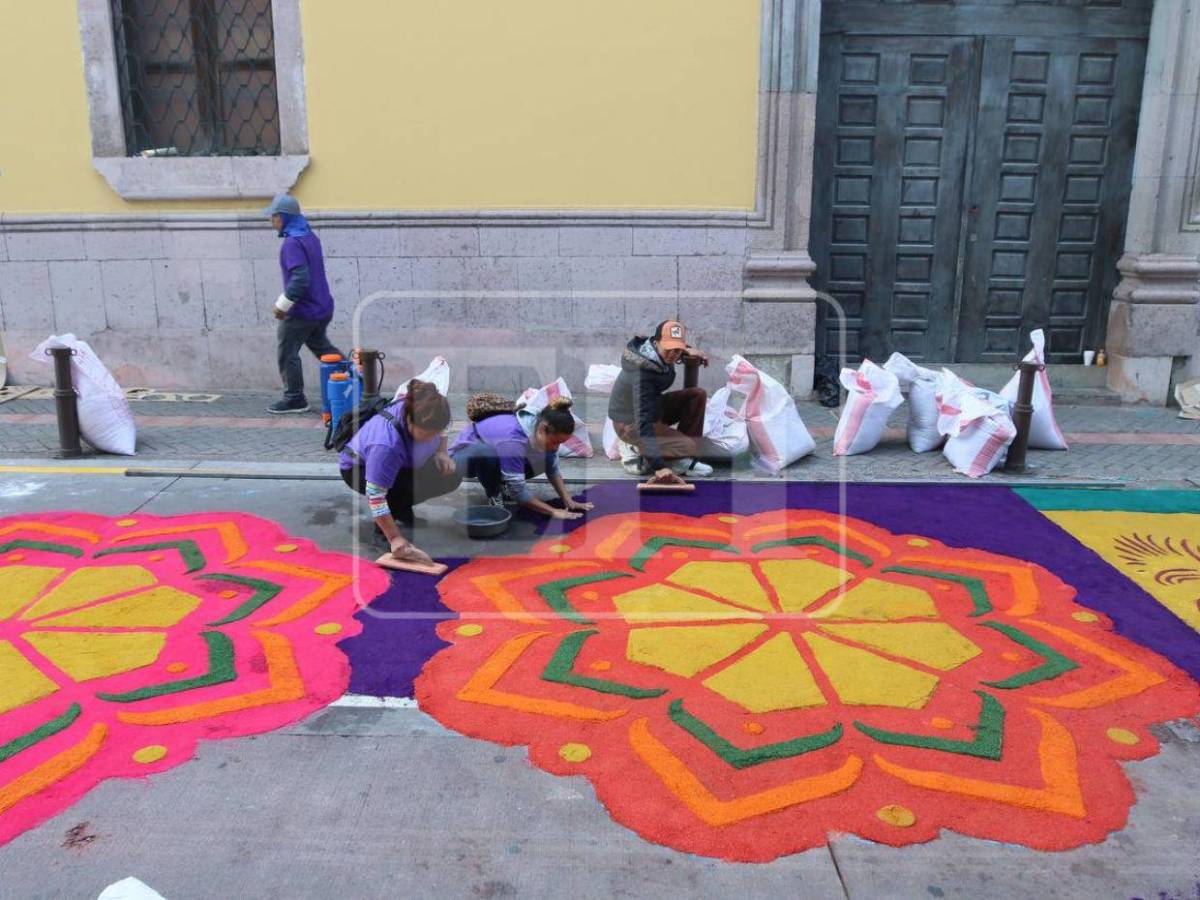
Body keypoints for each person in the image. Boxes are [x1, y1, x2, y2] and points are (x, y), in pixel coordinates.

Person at [339, 379, 461, 566]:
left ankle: (400, 508)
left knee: (451, 474)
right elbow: (376, 496)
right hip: (357, 470)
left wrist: (442, 452)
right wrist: (395, 538)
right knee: (403, 487)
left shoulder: (428, 407)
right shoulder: (386, 445)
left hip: (403, 463)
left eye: (434, 433)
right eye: (426, 434)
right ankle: (383, 534)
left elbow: (442, 430)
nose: (431, 438)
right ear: (409, 420)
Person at [608, 319, 716, 484]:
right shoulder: (641, 374)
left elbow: (674, 349)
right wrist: (659, 467)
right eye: (669, 349)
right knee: (689, 446)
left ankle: (679, 458)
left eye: (677, 350)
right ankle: (638, 452)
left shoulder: (654, 351)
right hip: (631, 424)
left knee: (696, 395)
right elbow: (642, 421)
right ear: (656, 342)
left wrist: (687, 350)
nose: (673, 354)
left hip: (653, 408)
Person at [449, 398, 594, 521]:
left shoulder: (540, 428)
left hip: (498, 454)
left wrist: (568, 501)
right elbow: (518, 491)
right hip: (462, 460)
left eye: (561, 443)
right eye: (555, 442)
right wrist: (553, 511)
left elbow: (552, 468)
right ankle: (494, 493)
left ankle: (502, 483)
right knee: (488, 453)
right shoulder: (513, 438)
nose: (557, 448)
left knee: (546, 457)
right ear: (543, 430)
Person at [263, 193, 343, 415]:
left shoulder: (292, 243)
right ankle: (354, 382)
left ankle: (295, 398)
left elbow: (300, 278)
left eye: (274, 216)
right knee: (322, 347)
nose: (271, 221)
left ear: (284, 218)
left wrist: (282, 305)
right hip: (322, 306)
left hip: (303, 311)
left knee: (287, 352)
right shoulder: (309, 236)